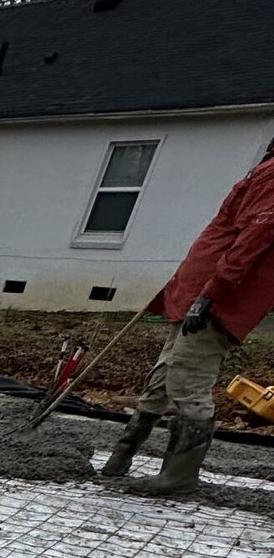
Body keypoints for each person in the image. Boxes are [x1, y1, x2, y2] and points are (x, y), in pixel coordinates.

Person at [100, 137, 274, 498]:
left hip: (216, 301)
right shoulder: (264, 171)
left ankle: (178, 477)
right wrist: (186, 285)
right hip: (197, 294)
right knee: (163, 377)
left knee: (187, 381)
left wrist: (210, 294)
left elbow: (253, 238)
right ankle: (121, 456)